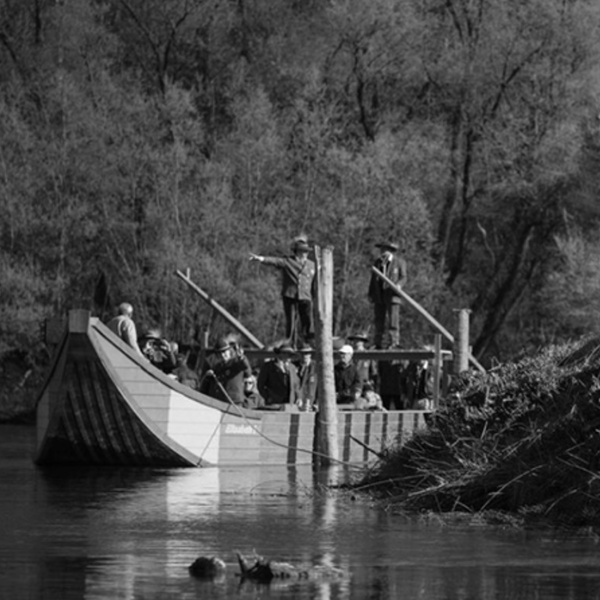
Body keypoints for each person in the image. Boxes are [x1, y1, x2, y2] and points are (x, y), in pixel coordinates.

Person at [249, 237, 316, 345]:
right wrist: (261, 259)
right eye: (303, 251)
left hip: (305, 296)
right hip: (290, 295)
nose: (305, 254)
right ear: (297, 252)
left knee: (307, 320)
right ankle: (290, 342)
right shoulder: (288, 261)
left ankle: (308, 341)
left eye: (306, 251)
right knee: (291, 321)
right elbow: (275, 261)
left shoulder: (312, 265)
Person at [368, 241, 407, 348]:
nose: (382, 252)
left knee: (393, 320)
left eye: (384, 249)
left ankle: (394, 342)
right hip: (379, 295)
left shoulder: (399, 262)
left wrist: (399, 285)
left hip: (392, 295)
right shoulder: (378, 263)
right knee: (378, 320)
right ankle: (378, 342)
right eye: (381, 249)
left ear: (390, 250)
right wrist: (371, 294)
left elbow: (403, 277)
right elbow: (373, 280)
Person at [200, 336, 253, 405]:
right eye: (219, 353)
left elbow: (246, 367)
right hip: (218, 402)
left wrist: (241, 357)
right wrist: (207, 376)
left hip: (234, 402)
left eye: (224, 352)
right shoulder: (216, 367)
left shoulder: (237, 362)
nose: (222, 355)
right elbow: (204, 387)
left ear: (229, 351)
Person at [294, 343, 318, 411]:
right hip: (296, 402)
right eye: (303, 353)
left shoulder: (316, 367)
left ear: (310, 354)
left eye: (307, 353)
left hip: (311, 403)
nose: (305, 355)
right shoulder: (294, 366)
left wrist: (317, 403)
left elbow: (320, 387)